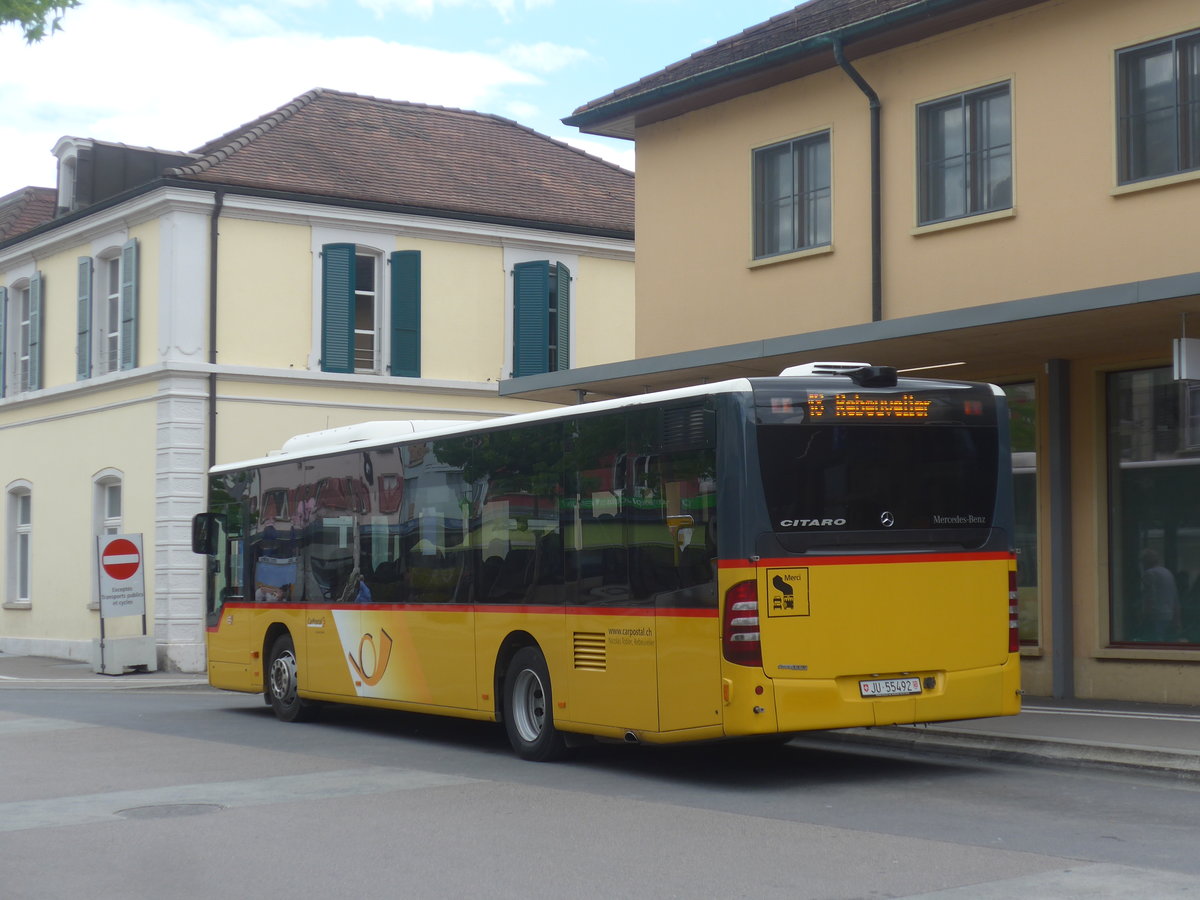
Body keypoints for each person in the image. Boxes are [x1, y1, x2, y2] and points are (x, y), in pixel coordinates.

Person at [1140, 549, 1181, 642]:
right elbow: (1175, 597)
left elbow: (1150, 597)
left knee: (1153, 641)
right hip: (1169, 614)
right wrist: (1177, 617)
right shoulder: (1167, 573)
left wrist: (1144, 614)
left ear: (1145, 561)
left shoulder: (1149, 574)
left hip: (1155, 615)